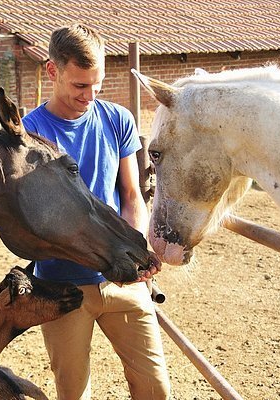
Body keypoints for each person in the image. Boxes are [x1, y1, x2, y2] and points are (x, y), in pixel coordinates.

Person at [22, 23, 171, 400]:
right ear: (53, 71)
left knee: (156, 390)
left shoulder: (118, 119)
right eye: (79, 86)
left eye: (97, 86)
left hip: (122, 277)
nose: (89, 96)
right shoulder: (30, 132)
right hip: (63, 285)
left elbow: (131, 195)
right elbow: (37, 218)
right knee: (73, 394)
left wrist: (134, 252)